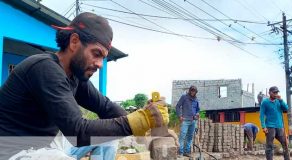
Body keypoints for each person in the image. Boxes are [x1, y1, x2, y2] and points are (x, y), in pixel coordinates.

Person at [0, 12, 168, 159]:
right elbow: (77, 132)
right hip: (13, 151)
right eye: (96, 54)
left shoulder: (75, 76)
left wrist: (146, 122)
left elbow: (107, 108)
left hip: (47, 145)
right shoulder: (44, 68)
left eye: (103, 57)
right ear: (74, 42)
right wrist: (134, 122)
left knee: (108, 138)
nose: (100, 64)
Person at [259, 86, 290, 160]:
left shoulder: (279, 101)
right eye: (274, 92)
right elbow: (262, 115)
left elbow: (286, 108)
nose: (276, 94)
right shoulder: (265, 102)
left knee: (285, 144)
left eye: (277, 92)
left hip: (280, 126)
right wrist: (264, 126)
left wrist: (281, 100)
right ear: (269, 93)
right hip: (270, 126)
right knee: (269, 145)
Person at [176, 85, 200, 157]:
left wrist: (197, 113)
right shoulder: (184, 97)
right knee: (182, 136)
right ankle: (180, 152)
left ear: (196, 92)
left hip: (193, 121)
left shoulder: (196, 100)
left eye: (194, 91)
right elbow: (177, 106)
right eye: (192, 91)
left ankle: (186, 152)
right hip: (185, 120)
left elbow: (198, 109)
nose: (193, 92)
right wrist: (180, 116)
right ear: (189, 90)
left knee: (189, 137)